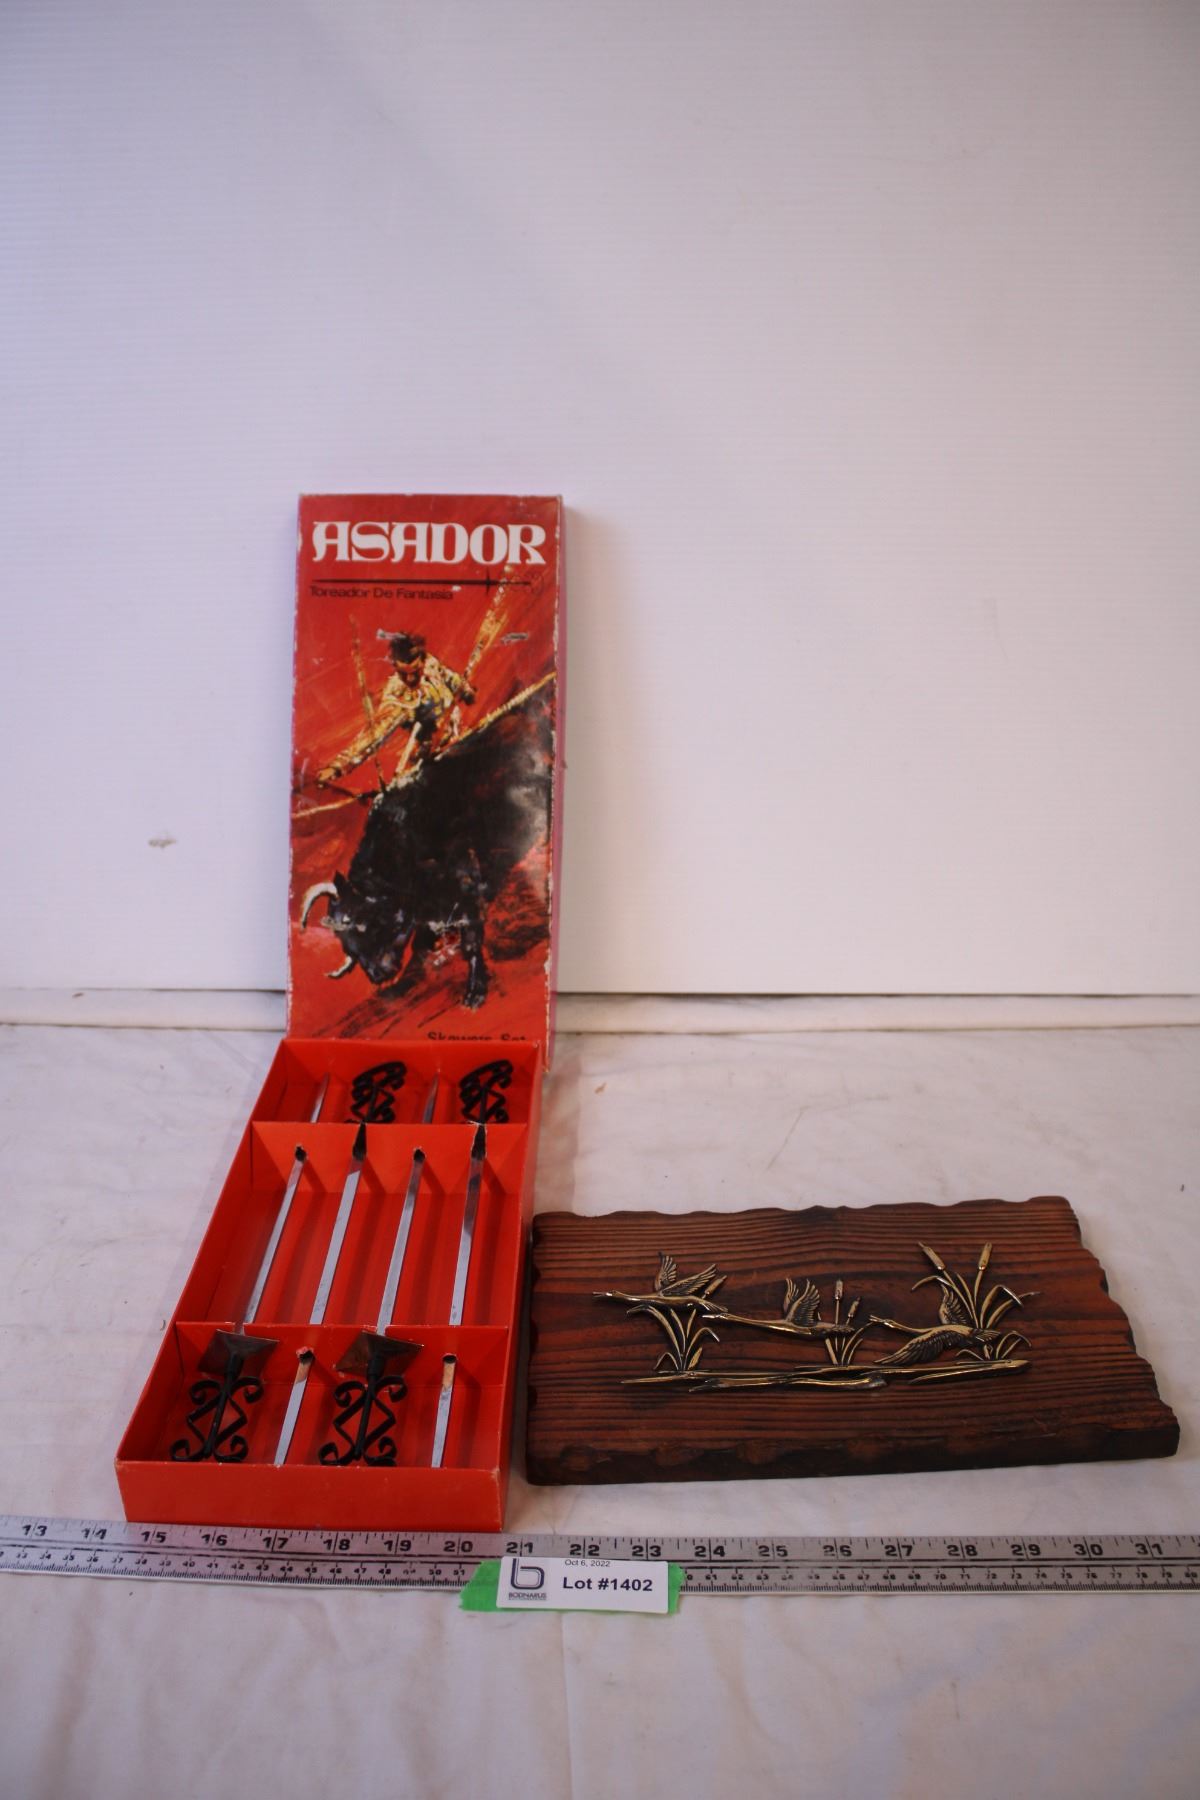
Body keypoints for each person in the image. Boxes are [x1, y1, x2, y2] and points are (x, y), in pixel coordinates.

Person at [318, 632, 476, 784]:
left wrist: (465, 690)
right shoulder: (396, 695)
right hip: (431, 752)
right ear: (395, 666)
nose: (410, 679)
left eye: (415, 671)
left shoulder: (430, 663)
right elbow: (376, 733)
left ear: (423, 660)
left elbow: (449, 677)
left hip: (458, 733)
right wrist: (338, 766)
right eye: (403, 673)